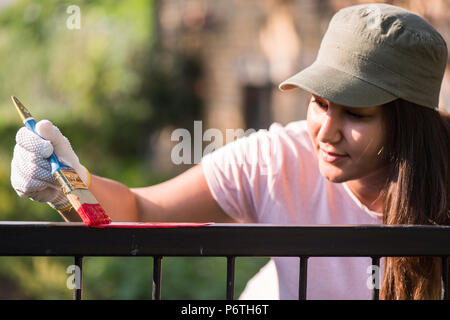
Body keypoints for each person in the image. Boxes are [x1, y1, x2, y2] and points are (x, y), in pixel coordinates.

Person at [10, 3, 449, 299]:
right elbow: (142, 211)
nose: (326, 132)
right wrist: (68, 182)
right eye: (320, 102)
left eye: (355, 113)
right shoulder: (279, 158)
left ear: (409, 124)